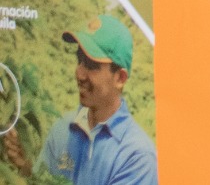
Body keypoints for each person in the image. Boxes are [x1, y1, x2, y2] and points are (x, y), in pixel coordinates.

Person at [2, 14, 157, 185]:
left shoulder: (137, 157)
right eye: (79, 60)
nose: (79, 74)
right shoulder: (63, 128)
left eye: (91, 65)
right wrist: (25, 168)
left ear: (120, 78)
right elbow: (42, 181)